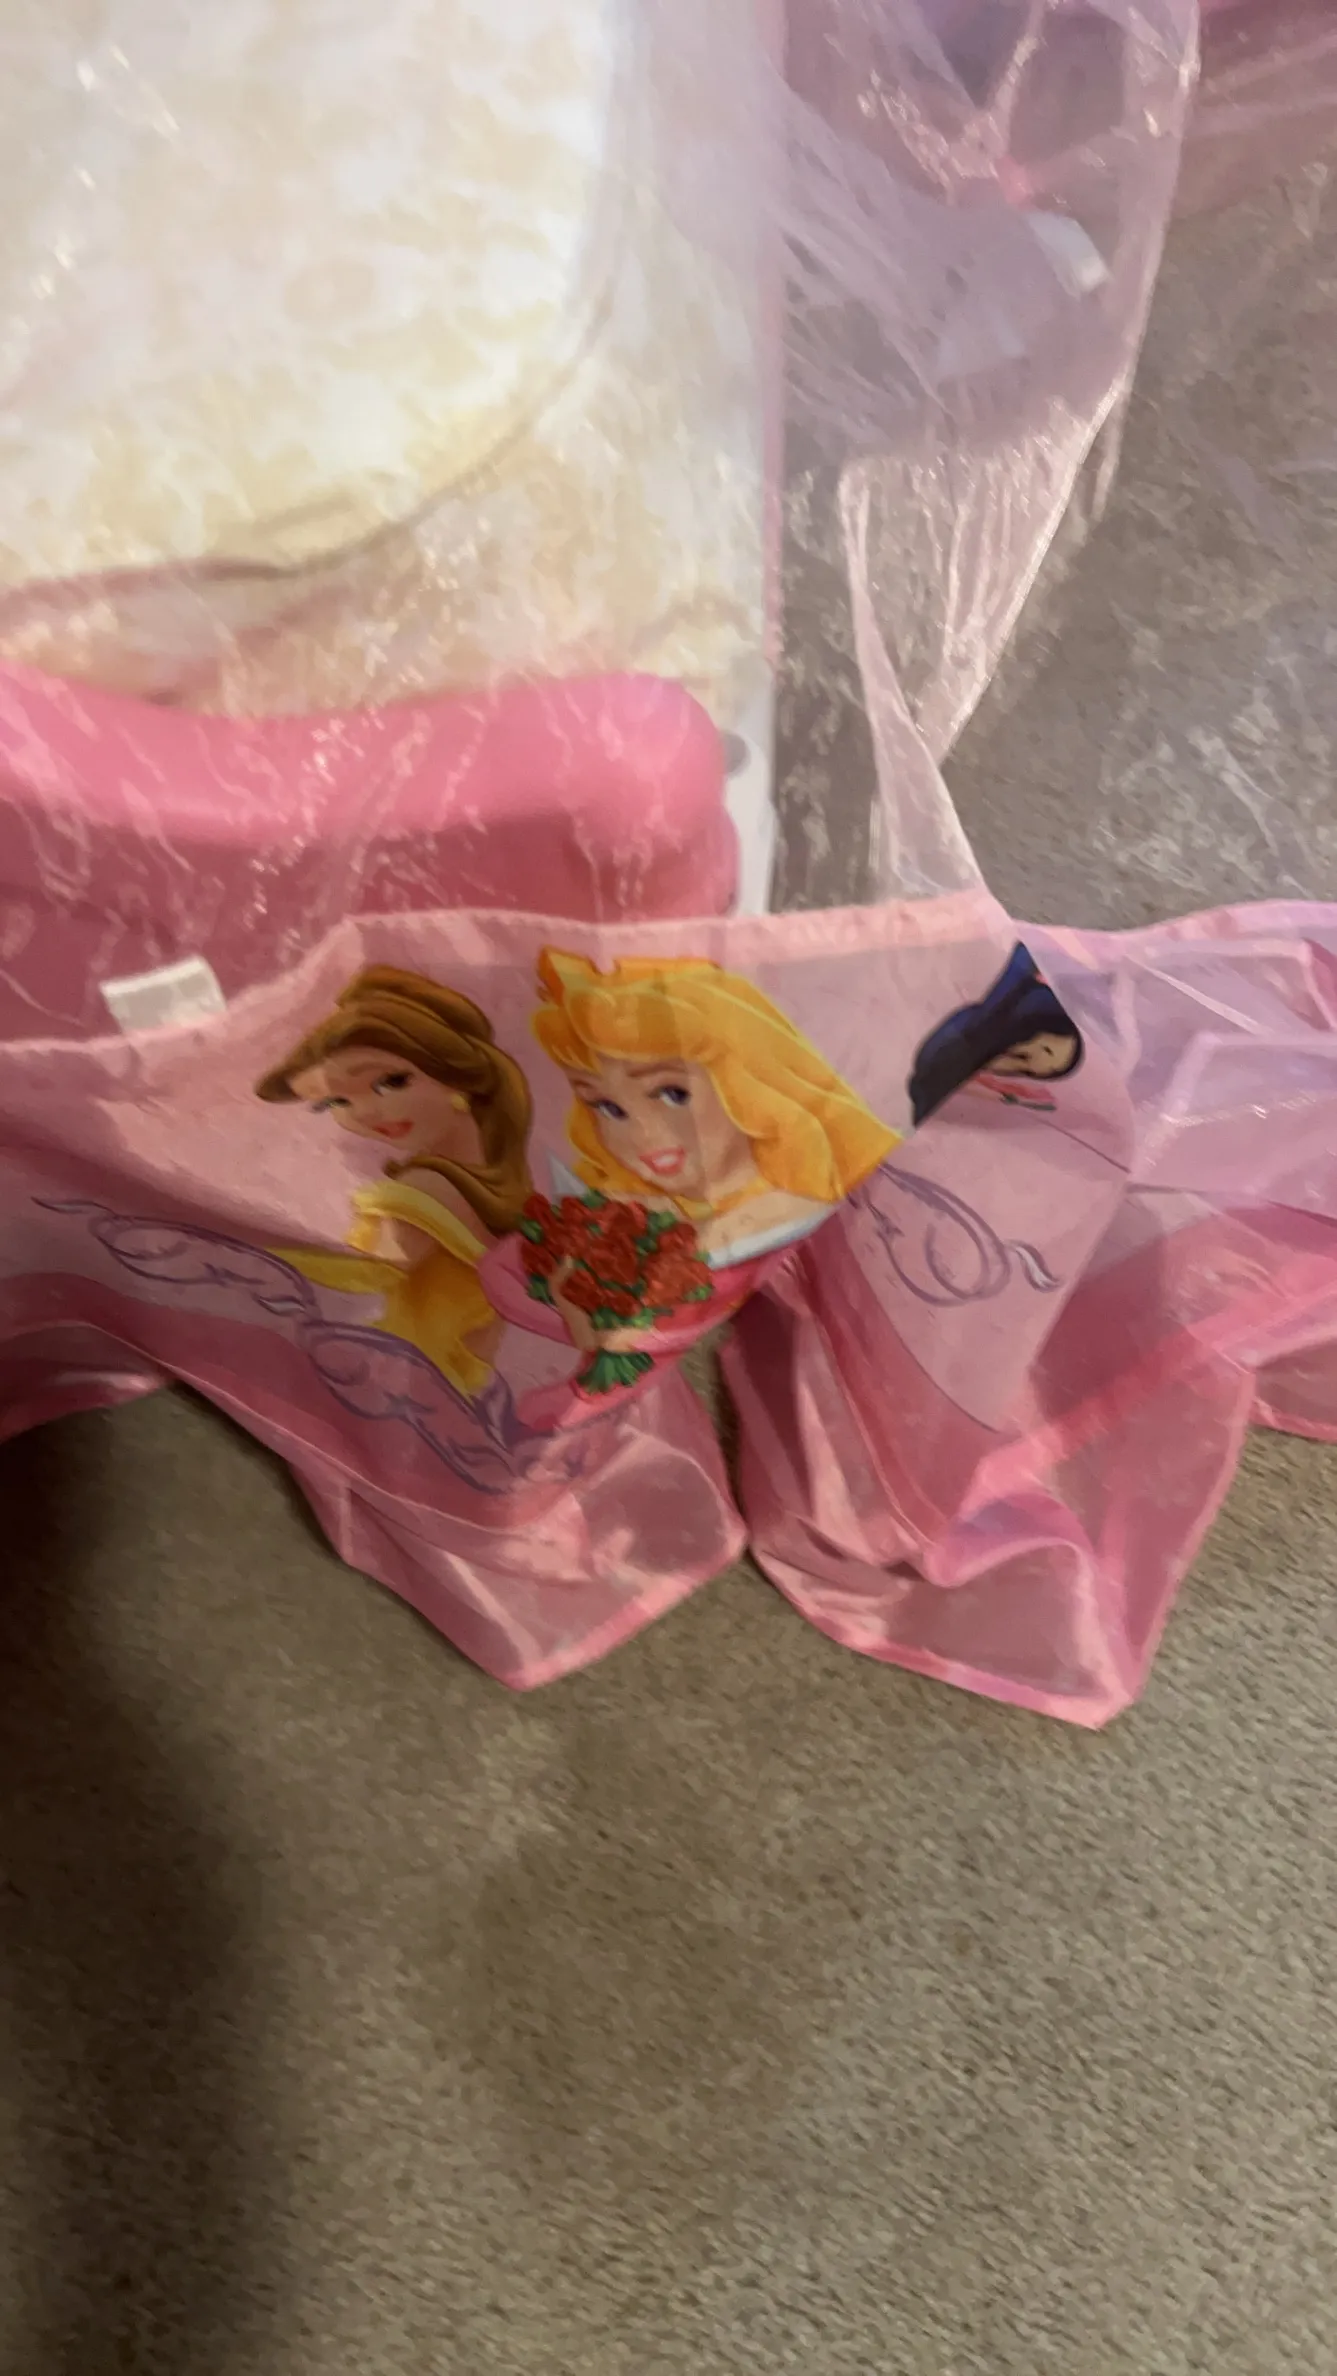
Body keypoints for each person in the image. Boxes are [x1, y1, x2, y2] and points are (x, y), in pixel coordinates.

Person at [255, 966, 532, 1395]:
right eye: (336, 1102)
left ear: (458, 1076)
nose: (364, 1113)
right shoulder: (502, 1187)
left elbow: (362, 1276)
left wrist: (248, 1256)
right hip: (454, 1379)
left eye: (392, 1081)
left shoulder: (423, 1191)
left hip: (393, 1378)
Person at [907, 942, 1084, 1126]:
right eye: (1046, 1049)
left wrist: (1005, 1091)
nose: (1015, 1061)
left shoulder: (976, 1042)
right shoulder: (991, 1020)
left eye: (1026, 1069)